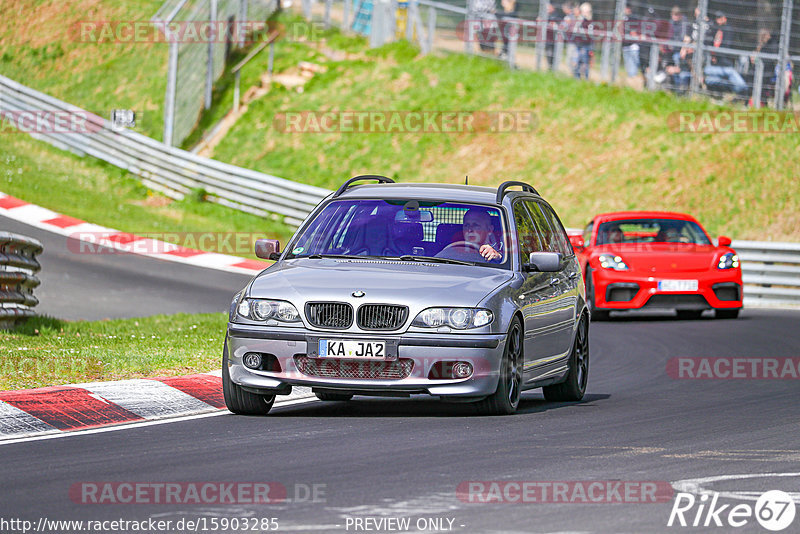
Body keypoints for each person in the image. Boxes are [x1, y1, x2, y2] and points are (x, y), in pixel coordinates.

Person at [703, 11, 748, 97]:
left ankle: (742, 90)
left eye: (720, 18)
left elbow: (726, 46)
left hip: (725, 62)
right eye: (717, 18)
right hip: (716, 62)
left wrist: (716, 54)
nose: (718, 20)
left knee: (729, 76)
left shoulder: (728, 29)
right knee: (710, 79)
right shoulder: (716, 29)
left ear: (724, 18)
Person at [572, 2, 594, 80]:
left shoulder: (589, 22)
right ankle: (576, 79)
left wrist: (591, 49)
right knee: (575, 63)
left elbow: (591, 37)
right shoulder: (578, 20)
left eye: (586, 11)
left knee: (585, 64)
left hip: (586, 46)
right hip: (578, 45)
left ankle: (585, 80)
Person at [620, 5, 641, 79]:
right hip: (625, 45)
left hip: (633, 46)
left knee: (634, 64)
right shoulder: (622, 19)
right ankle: (631, 79)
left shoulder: (634, 18)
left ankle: (634, 79)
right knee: (628, 65)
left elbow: (634, 33)